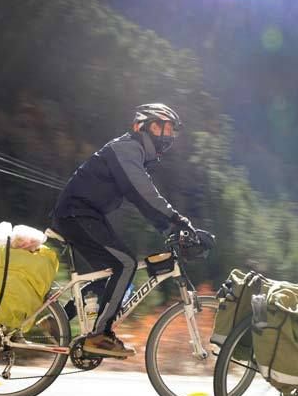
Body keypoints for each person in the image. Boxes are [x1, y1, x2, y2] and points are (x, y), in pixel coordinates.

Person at [51, 103, 210, 358]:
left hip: (83, 214)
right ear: (144, 126)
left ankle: (57, 319)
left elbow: (141, 199)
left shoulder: (132, 152)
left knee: (111, 272)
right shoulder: (126, 148)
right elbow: (143, 193)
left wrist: (167, 227)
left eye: (170, 130)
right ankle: (100, 335)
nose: (167, 135)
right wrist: (176, 220)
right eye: (162, 127)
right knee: (125, 264)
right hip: (76, 214)